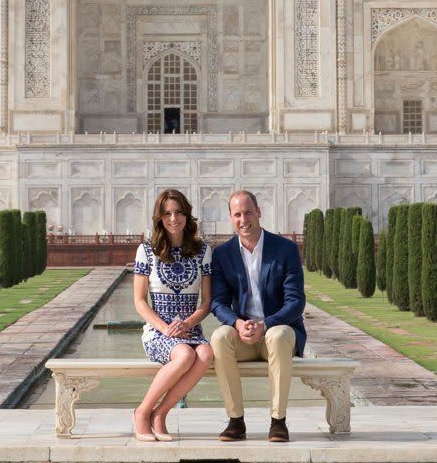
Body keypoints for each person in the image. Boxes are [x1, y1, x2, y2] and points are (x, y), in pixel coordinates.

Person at [210, 189, 306, 443]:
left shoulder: (284, 249)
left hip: (277, 333)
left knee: (277, 335)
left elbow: (296, 302)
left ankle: (278, 421)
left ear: (259, 212)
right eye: (237, 214)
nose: (244, 220)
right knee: (219, 337)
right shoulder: (222, 254)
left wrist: (265, 325)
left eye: (248, 212)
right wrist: (237, 323)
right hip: (245, 335)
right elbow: (217, 303)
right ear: (231, 218)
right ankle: (235, 421)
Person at [131, 188, 214, 442]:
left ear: (187, 216)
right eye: (167, 213)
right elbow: (139, 302)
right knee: (185, 353)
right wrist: (165, 327)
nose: (173, 218)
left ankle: (160, 414)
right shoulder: (146, 251)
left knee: (206, 353)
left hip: (190, 329)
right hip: (158, 331)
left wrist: (188, 322)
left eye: (178, 212)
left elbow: (207, 301)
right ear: (159, 218)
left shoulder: (202, 251)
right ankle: (142, 412)